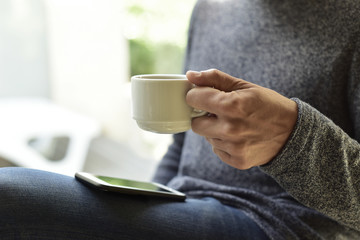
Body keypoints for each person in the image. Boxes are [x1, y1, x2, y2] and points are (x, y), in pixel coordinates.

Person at [1, 0, 359, 239]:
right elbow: (183, 141)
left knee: (10, 197)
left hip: (283, 226)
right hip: (185, 202)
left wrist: (294, 137)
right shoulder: (212, 8)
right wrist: (146, 198)